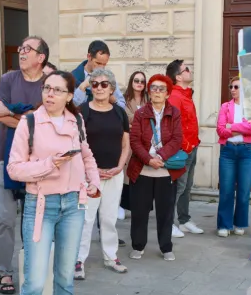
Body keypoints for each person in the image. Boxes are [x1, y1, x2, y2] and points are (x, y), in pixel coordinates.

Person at [6, 70, 100, 295]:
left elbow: (87, 155)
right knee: (33, 283)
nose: (49, 94)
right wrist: (50, 165)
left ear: (69, 96)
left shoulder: (77, 121)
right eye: (47, 88)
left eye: (57, 90)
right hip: (41, 206)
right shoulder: (29, 122)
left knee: (64, 277)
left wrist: (93, 182)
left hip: (73, 204)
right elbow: (14, 168)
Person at [0, 36, 49, 295]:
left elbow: (48, 119)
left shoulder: (49, 83)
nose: (22, 52)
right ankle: (5, 271)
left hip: (37, 160)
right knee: (5, 219)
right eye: (21, 48)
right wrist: (29, 118)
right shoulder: (8, 80)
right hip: (6, 157)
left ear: (41, 57)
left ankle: (31, 268)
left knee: (33, 219)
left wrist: (12, 114)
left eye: (28, 49)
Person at [76, 68, 130, 279]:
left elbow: (125, 144)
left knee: (109, 218)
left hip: (114, 174)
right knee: (85, 219)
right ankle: (78, 260)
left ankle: (111, 256)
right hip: (89, 177)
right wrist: (92, 171)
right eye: (95, 84)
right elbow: (77, 146)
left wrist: (120, 166)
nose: (99, 88)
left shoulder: (119, 113)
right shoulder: (82, 112)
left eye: (104, 84)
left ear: (112, 88)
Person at [127, 74, 185, 261]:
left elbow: (177, 139)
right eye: (154, 88)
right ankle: (138, 245)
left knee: (166, 212)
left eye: (161, 89)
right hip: (142, 169)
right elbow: (135, 141)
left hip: (165, 170)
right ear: (149, 92)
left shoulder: (174, 113)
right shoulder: (140, 113)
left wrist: (160, 156)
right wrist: (148, 159)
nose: (157, 92)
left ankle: (166, 247)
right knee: (139, 211)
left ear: (167, 93)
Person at [166, 59, 202, 237]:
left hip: (192, 146)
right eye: (186, 69)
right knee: (178, 187)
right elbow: (173, 126)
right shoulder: (175, 96)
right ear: (178, 77)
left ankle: (184, 220)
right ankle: (168, 223)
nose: (190, 71)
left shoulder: (186, 94)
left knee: (187, 187)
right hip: (183, 149)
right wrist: (185, 146)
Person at [216, 77, 251, 237]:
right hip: (228, 151)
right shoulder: (225, 106)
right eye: (231, 86)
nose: (232, 89)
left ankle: (240, 223)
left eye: (236, 87)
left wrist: (231, 126)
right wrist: (240, 129)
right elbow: (220, 130)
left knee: (244, 190)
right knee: (226, 189)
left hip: (247, 151)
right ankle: (224, 225)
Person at [119, 71, 146, 217]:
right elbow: (126, 117)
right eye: (136, 80)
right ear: (131, 81)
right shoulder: (124, 99)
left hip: (145, 142)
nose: (139, 83)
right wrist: (140, 120)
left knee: (142, 174)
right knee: (127, 174)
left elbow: (150, 118)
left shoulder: (148, 99)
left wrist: (135, 121)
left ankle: (140, 205)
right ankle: (122, 205)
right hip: (128, 141)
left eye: (142, 81)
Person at [71, 40, 125, 106]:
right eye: (98, 63)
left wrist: (114, 101)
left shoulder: (109, 78)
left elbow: (122, 105)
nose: (101, 67)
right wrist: (83, 86)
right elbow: (72, 106)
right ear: (89, 57)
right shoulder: (73, 77)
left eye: (104, 64)